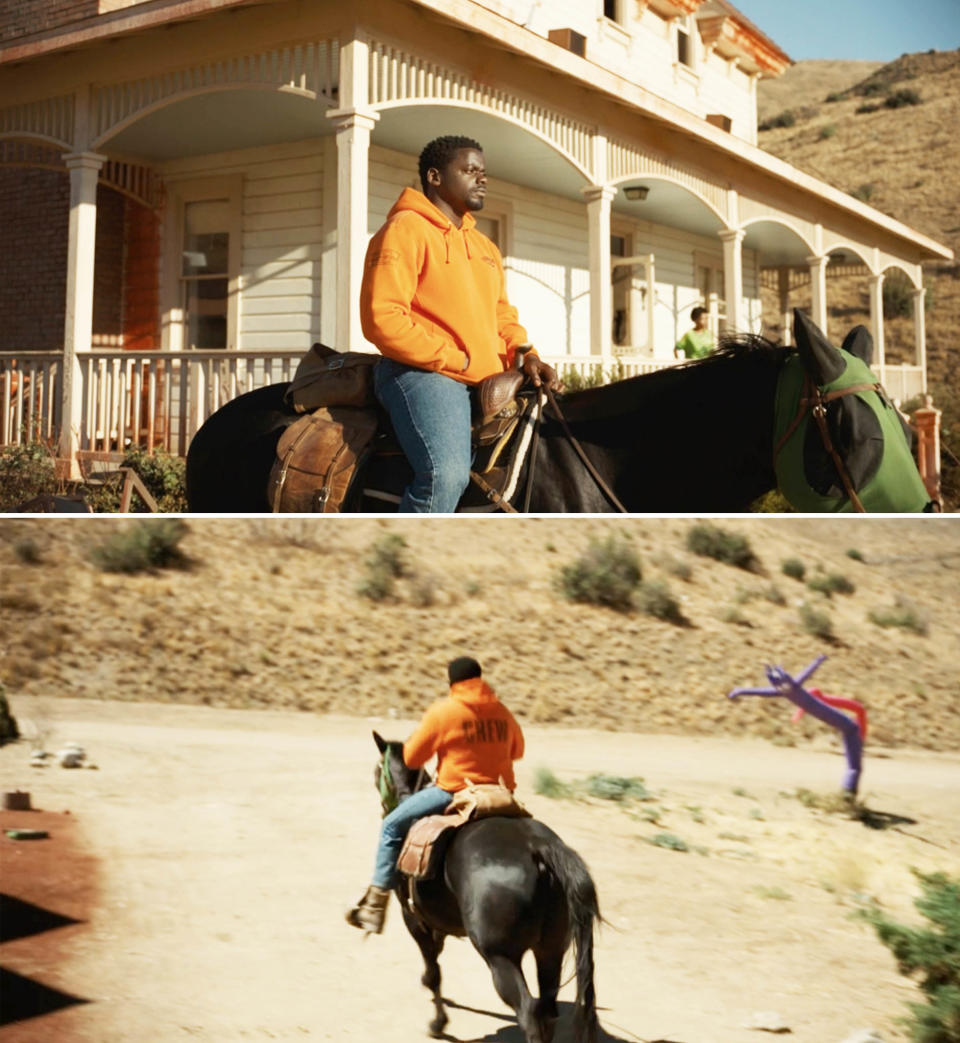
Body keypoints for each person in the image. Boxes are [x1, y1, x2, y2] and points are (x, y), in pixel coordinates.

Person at [360, 135, 560, 513]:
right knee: (446, 476)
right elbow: (382, 319)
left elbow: (501, 313)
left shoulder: (485, 247)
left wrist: (526, 353)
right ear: (435, 177)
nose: (481, 179)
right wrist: (459, 361)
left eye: (483, 173)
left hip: (488, 378)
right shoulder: (404, 230)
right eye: (469, 171)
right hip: (424, 375)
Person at [346, 656, 525, 935]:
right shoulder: (502, 711)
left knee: (392, 824)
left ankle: (374, 906)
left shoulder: (444, 711)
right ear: (480, 678)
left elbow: (412, 758)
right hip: (499, 793)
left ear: (452, 682)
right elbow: (518, 751)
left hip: (452, 791)